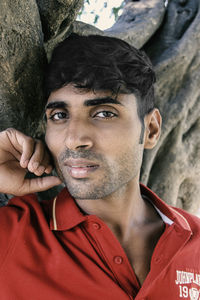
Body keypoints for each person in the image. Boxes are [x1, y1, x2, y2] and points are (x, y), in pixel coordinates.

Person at [0, 34, 199, 300]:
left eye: (104, 113)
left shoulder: (195, 243)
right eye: (59, 116)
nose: (74, 139)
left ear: (150, 130)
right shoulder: (12, 234)